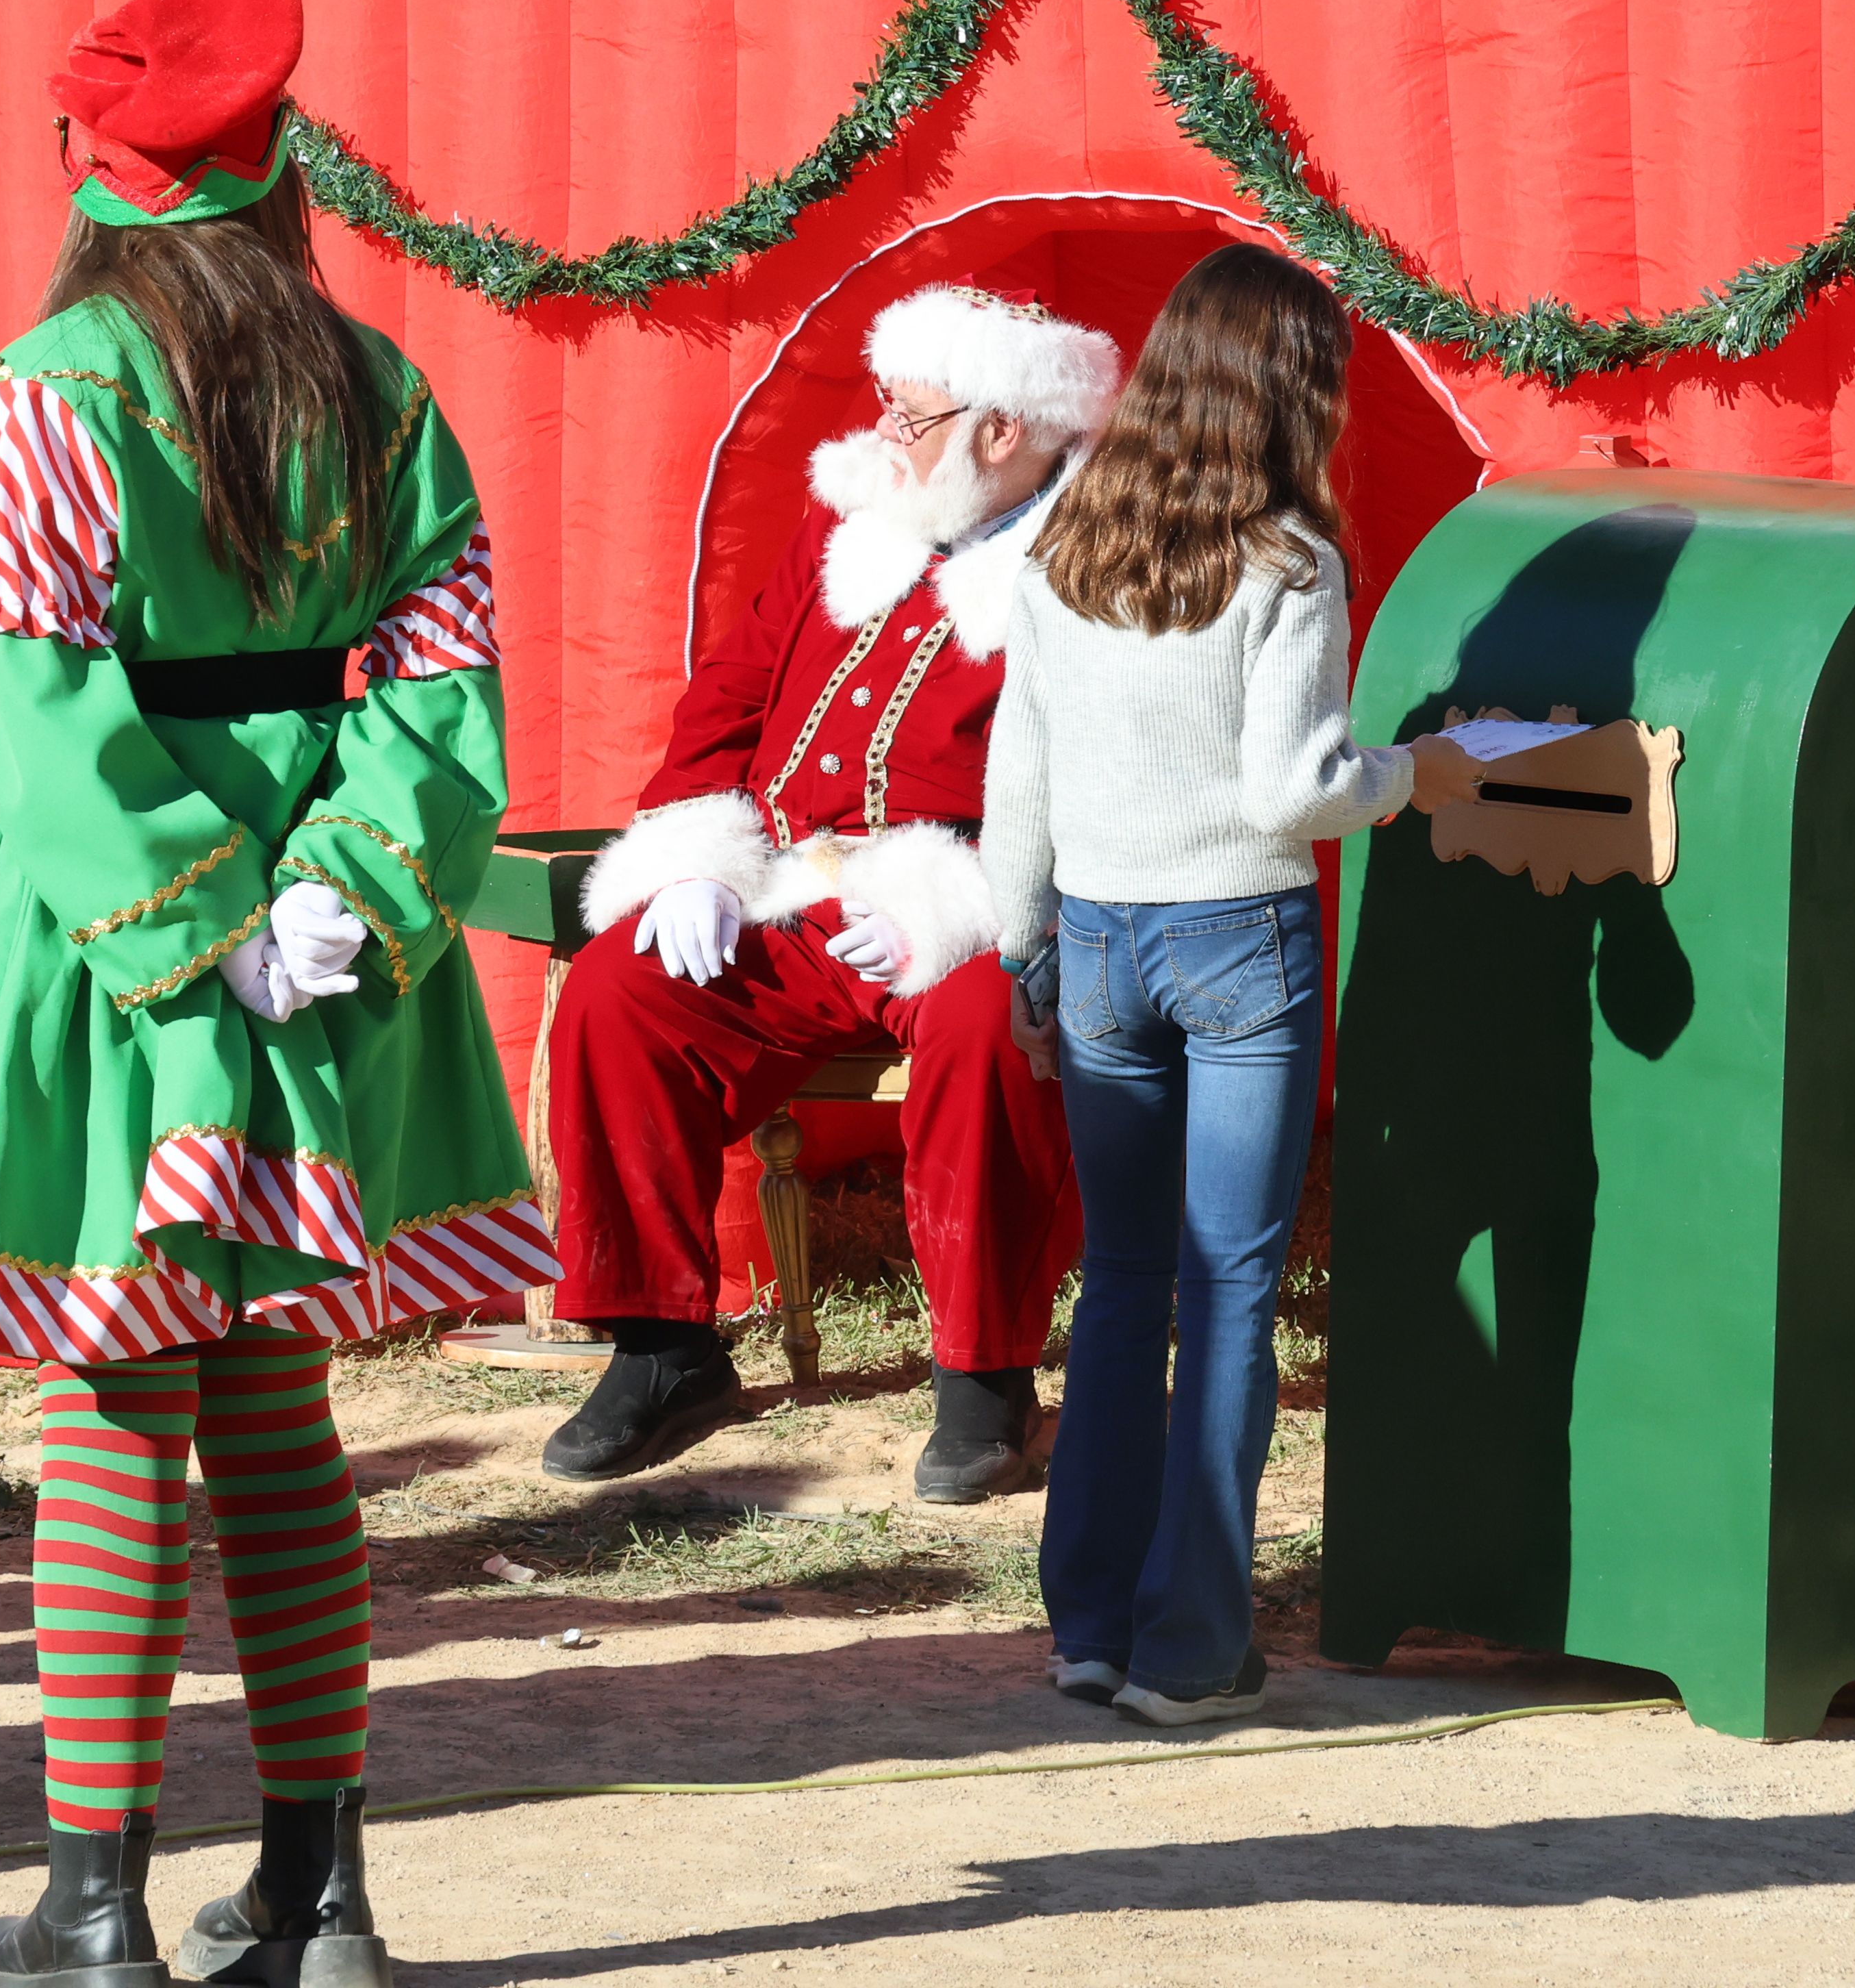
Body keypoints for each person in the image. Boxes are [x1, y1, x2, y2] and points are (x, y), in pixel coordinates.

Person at [0, 0, 544, 1988]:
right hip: (339, 946)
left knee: (116, 1406)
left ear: (102, 185)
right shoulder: (384, 390)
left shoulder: (40, 397)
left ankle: (94, 1910)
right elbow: (446, 685)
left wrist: (208, 927)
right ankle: (324, 1896)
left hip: (123, 961)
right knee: (272, 1407)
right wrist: (343, 886)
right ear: (280, 185)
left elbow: (36, 706)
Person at [984, 244, 1470, 1728]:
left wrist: (1024, 946)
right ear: (1289, 391)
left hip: (1100, 943)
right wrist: (1419, 772)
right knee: (1235, 1288)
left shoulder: (1064, 542)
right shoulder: (1290, 561)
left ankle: (1090, 1622)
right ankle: (1194, 1642)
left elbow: (1025, 770)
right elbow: (1293, 788)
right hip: (1241, 939)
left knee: (1122, 1285)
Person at [542, 284, 1124, 1502]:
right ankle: (665, 1348)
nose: (887, 436)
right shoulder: (850, 530)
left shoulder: (1090, 562)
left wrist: (961, 904)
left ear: (1004, 431)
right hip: (791, 891)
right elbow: (726, 704)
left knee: (983, 1027)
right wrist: (699, 859)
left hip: (981, 908)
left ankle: (985, 1382)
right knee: (617, 992)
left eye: (913, 418)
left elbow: (1113, 784)